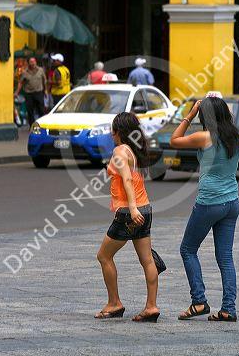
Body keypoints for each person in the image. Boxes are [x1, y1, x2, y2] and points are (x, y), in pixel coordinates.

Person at [170, 97, 239, 322]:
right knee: (225, 257)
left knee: (188, 249)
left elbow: (174, 140)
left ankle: (199, 301)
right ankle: (228, 308)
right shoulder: (235, 138)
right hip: (232, 202)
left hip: (210, 202)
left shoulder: (205, 137)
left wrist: (189, 115)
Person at [95, 112, 160, 323]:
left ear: (119, 132)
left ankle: (114, 303)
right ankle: (151, 307)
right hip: (146, 208)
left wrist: (132, 209)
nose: (111, 134)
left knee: (104, 256)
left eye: (113, 130)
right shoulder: (133, 150)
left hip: (129, 213)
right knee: (147, 260)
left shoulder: (120, 151)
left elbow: (127, 181)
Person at [14, 57, 47, 127]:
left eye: (34, 61)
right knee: (30, 111)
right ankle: (32, 126)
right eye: (31, 62)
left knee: (41, 110)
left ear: (36, 62)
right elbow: (20, 82)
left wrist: (46, 91)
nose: (33, 63)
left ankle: (42, 126)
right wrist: (17, 92)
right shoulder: (25, 72)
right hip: (29, 94)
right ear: (29, 63)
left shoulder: (41, 70)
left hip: (39, 92)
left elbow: (44, 81)